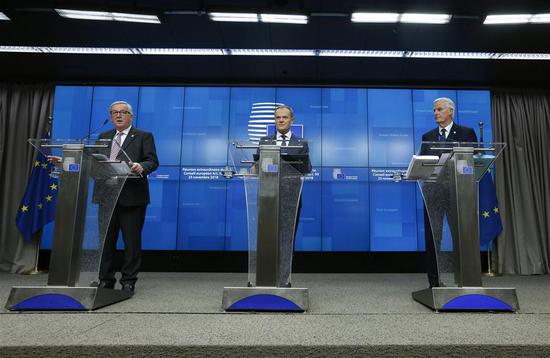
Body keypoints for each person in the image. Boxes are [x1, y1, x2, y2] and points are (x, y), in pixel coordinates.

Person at [96, 101, 159, 293]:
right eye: (114, 113)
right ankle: (105, 280)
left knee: (131, 242)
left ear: (130, 116)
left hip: (132, 196)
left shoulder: (143, 136)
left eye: (123, 112)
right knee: (106, 242)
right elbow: (94, 161)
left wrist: (141, 167)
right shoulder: (103, 136)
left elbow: (152, 161)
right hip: (107, 195)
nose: (118, 116)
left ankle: (128, 281)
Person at [420, 97, 477, 288]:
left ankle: (465, 281)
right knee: (433, 238)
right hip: (433, 193)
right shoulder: (427, 137)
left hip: (458, 193)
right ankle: (434, 283)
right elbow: (423, 164)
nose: (436, 113)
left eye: (439, 109)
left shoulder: (466, 133)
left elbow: (473, 161)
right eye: (434, 110)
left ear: (450, 111)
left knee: (461, 236)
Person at [257, 105, 311, 287]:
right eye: (277, 117)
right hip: (268, 196)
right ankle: (266, 279)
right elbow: (257, 166)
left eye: (284, 117)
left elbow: (306, 169)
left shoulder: (300, 143)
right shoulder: (265, 141)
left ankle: (284, 280)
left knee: (287, 238)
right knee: (268, 237)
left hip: (291, 197)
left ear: (291, 120)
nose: (280, 120)